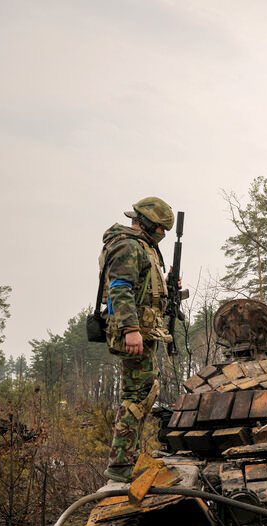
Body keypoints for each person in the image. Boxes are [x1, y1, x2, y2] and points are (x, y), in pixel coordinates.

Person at [100, 197, 175, 482]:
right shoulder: (128, 246)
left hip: (144, 331)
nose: (162, 235)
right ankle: (120, 464)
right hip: (135, 333)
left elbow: (145, 291)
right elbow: (120, 288)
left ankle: (126, 458)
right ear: (145, 223)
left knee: (142, 392)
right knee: (137, 395)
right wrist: (131, 329)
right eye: (160, 229)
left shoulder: (142, 247)